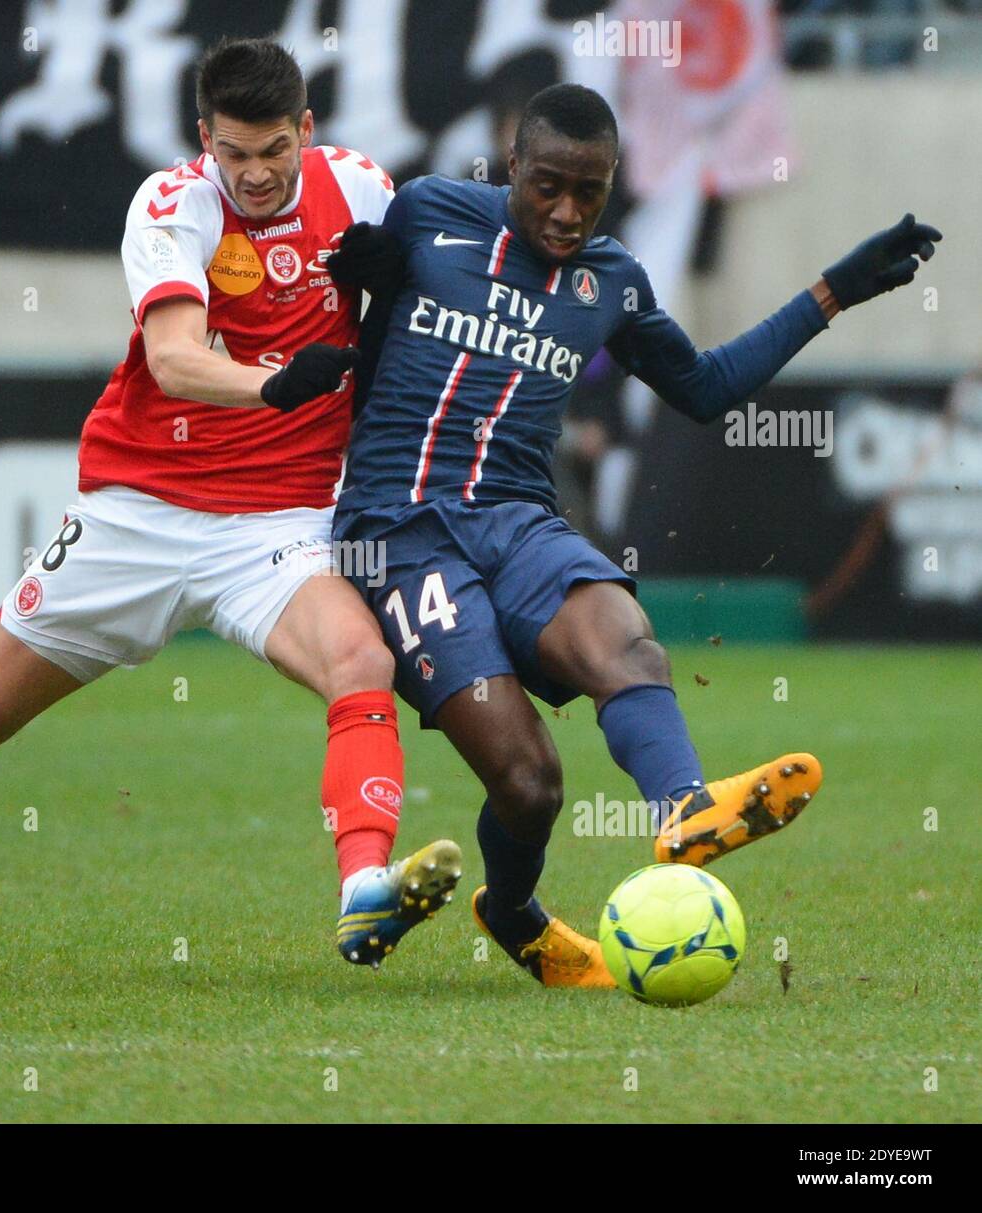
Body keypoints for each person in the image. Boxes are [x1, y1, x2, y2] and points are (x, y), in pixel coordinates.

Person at [0, 38, 462, 974]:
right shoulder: (171, 203)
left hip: (278, 522)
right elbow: (173, 359)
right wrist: (278, 385)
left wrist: (391, 296)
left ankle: (362, 888)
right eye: (235, 154)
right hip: (138, 511)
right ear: (205, 140)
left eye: (275, 150)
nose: (258, 174)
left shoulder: (362, 190)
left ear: (307, 131)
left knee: (360, 658)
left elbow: (432, 308)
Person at [326, 83, 940, 989]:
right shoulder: (427, 217)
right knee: (530, 782)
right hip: (402, 531)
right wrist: (349, 287)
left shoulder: (609, 279)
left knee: (625, 640)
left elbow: (703, 387)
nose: (569, 212)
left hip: (520, 520)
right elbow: (313, 272)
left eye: (592, 190)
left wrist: (834, 289)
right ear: (509, 169)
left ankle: (687, 807)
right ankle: (516, 911)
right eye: (548, 186)